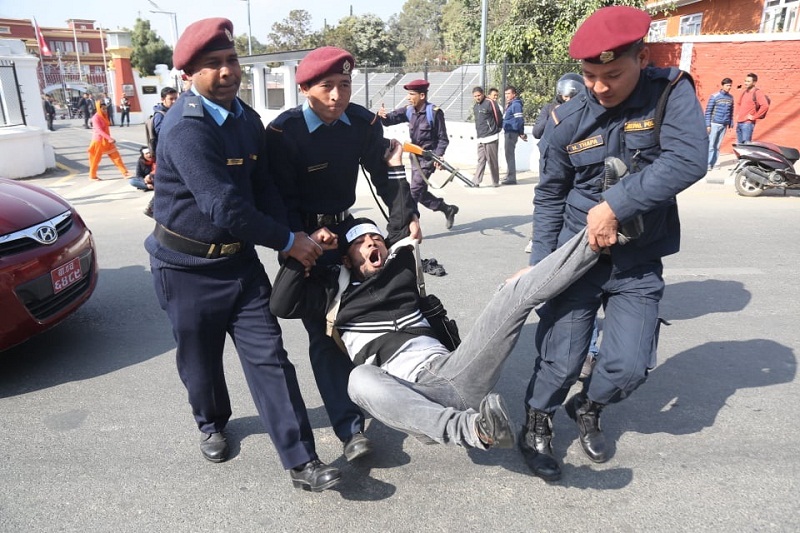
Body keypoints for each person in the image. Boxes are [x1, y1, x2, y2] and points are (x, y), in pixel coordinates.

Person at [144, 17, 341, 492]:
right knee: (201, 361)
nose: (227, 71)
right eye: (213, 64)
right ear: (188, 74)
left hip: (239, 263)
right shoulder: (184, 128)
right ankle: (211, 422)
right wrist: (287, 240)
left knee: (270, 356)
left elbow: (262, 186)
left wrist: (292, 236)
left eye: (231, 60)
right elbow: (222, 205)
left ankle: (302, 462)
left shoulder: (246, 120)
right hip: (185, 267)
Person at [520, 6, 707, 483]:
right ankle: (536, 422)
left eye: (613, 74)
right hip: (576, 258)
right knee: (560, 359)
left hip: (639, 259)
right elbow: (549, 196)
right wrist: (543, 267)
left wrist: (615, 205)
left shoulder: (669, 93)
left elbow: (688, 159)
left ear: (641, 59)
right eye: (589, 75)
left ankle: (589, 405)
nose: (600, 87)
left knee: (628, 368)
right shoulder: (565, 119)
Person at [269, 203, 600, 454]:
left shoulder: (401, 270)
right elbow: (281, 305)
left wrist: (396, 167)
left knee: (510, 292)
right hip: (413, 394)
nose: (374, 244)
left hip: (455, 369)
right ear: (346, 258)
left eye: (377, 239)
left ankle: (596, 241)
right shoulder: (333, 292)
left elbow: (401, 223)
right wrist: (303, 253)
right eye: (362, 242)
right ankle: (472, 430)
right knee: (358, 380)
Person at [265, 46, 421, 464]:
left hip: (347, 230)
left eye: (345, 85)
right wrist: (300, 234)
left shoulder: (360, 122)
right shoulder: (284, 133)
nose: (337, 96)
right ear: (305, 89)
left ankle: (401, 392)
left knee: (372, 311)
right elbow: (276, 196)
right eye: (326, 87)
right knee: (322, 332)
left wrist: (407, 216)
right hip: (304, 239)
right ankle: (350, 429)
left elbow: (384, 169)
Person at [378, 79, 459, 229]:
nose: (408, 97)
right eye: (408, 94)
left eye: (411, 94)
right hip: (415, 158)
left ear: (422, 95)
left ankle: (407, 225)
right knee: (420, 192)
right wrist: (383, 116)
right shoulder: (409, 110)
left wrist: (439, 156)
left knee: (414, 191)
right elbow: (390, 120)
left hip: (428, 159)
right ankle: (447, 209)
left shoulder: (434, 113)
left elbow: (443, 139)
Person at [143, 87, 179, 218]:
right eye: (171, 99)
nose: (174, 101)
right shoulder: (160, 116)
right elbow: (165, 134)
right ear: (163, 100)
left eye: (176, 98)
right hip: (165, 155)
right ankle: (153, 207)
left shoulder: (171, 112)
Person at [87, 100, 129, 181]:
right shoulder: (95, 118)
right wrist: (109, 138)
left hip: (107, 141)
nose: (105, 110)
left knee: (116, 157)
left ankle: (125, 173)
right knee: (95, 159)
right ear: (98, 109)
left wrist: (108, 138)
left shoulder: (104, 116)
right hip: (98, 141)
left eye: (106, 109)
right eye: (103, 109)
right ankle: (92, 176)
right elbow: (99, 130)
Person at [471, 86, 502, 187]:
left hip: (490, 137)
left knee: (492, 160)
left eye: (479, 95)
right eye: (475, 96)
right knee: (481, 160)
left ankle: (495, 181)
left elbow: (498, 117)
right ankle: (476, 181)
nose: (477, 98)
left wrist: (496, 129)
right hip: (480, 138)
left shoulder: (490, 103)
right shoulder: (476, 106)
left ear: (483, 94)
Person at [704, 78, 734, 170]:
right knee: (711, 145)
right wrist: (708, 124)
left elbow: (731, 111)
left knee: (717, 145)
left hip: (724, 125)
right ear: (722, 85)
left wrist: (730, 122)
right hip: (714, 124)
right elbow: (708, 111)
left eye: (730, 85)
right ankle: (708, 164)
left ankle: (715, 163)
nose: (729, 87)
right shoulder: (714, 96)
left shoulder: (730, 98)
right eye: (727, 85)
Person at [501, 85, 527, 185]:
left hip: (512, 133)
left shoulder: (516, 105)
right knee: (508, 155)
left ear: (514, 94)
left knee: (510, 155)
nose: (507, 96)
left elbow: (519, 119)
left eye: (509, 93)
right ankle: (509, 175)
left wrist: (521, 132)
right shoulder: (511, 104)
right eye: (505, 94)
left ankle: (511, 178)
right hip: (508, 132)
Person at [735, 72, 769, 144]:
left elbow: (765, 105)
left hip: (747, 124)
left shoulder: (757, 93)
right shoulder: (744, 92)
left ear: (754, 83)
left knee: (746, 146)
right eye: (745, 81)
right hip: (739, 123)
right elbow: (738, 103)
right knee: (739, 146)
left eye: (748, 81)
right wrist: (737, 114)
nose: (746, 83)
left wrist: (754, 117)